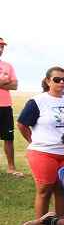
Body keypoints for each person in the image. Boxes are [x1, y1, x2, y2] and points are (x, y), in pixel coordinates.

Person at [17, 67, 64, 224]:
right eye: (57, 79)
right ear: (47, 81)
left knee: (62, 189)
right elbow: (22, 124)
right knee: (45, 189)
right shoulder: (38, 101)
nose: (61, 82)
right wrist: (34, 141)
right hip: (43, 152)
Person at [0, 37, 22, 176]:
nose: (1, 49)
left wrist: (4, 82)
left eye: (2, 47)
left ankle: (11, 167)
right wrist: (4, 81)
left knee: (8, 138)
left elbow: (15, 85)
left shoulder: (8, 66)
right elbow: (9, 84)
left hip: (5, 106)